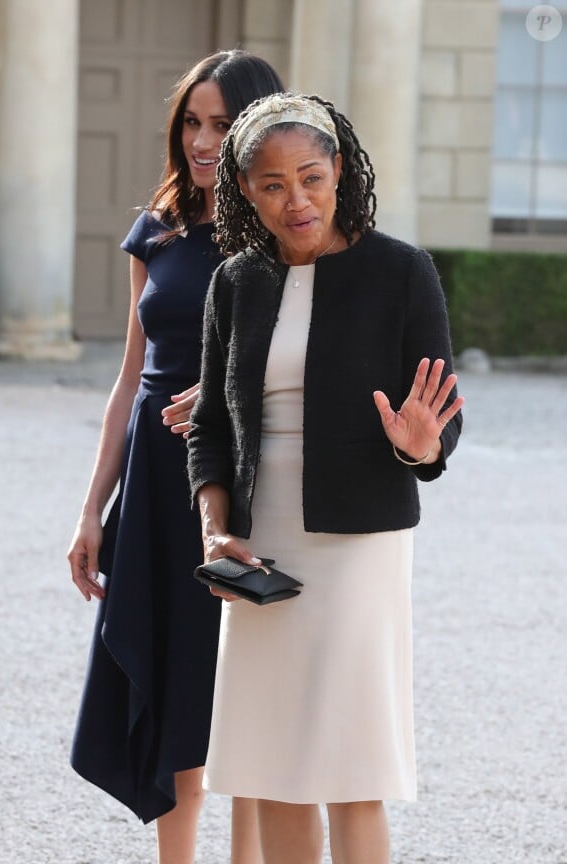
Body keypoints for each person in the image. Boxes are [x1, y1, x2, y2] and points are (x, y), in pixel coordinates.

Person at [187, 92, 464, 864]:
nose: (296, 199)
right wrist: (217, 527)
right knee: (272, 768)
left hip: (360, 544)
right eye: (273, 184)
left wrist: (419, 445)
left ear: (339, 169)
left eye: (311, 176)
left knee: (351, 765)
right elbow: (210, 425)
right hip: (259, 549)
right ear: (246, 191)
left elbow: (442, 423)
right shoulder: (235, 282)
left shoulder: (401, 272)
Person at [67, 51, 283, 864]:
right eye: (191, 121)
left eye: (221, 124)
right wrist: (92, 509)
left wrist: (228, 398)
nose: (201, 140)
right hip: (155, 499)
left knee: (243, 706)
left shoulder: (282, 232)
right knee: (170, 704)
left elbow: (309, 366)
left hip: (245, 489)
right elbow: (129, 382)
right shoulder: (153, 229)